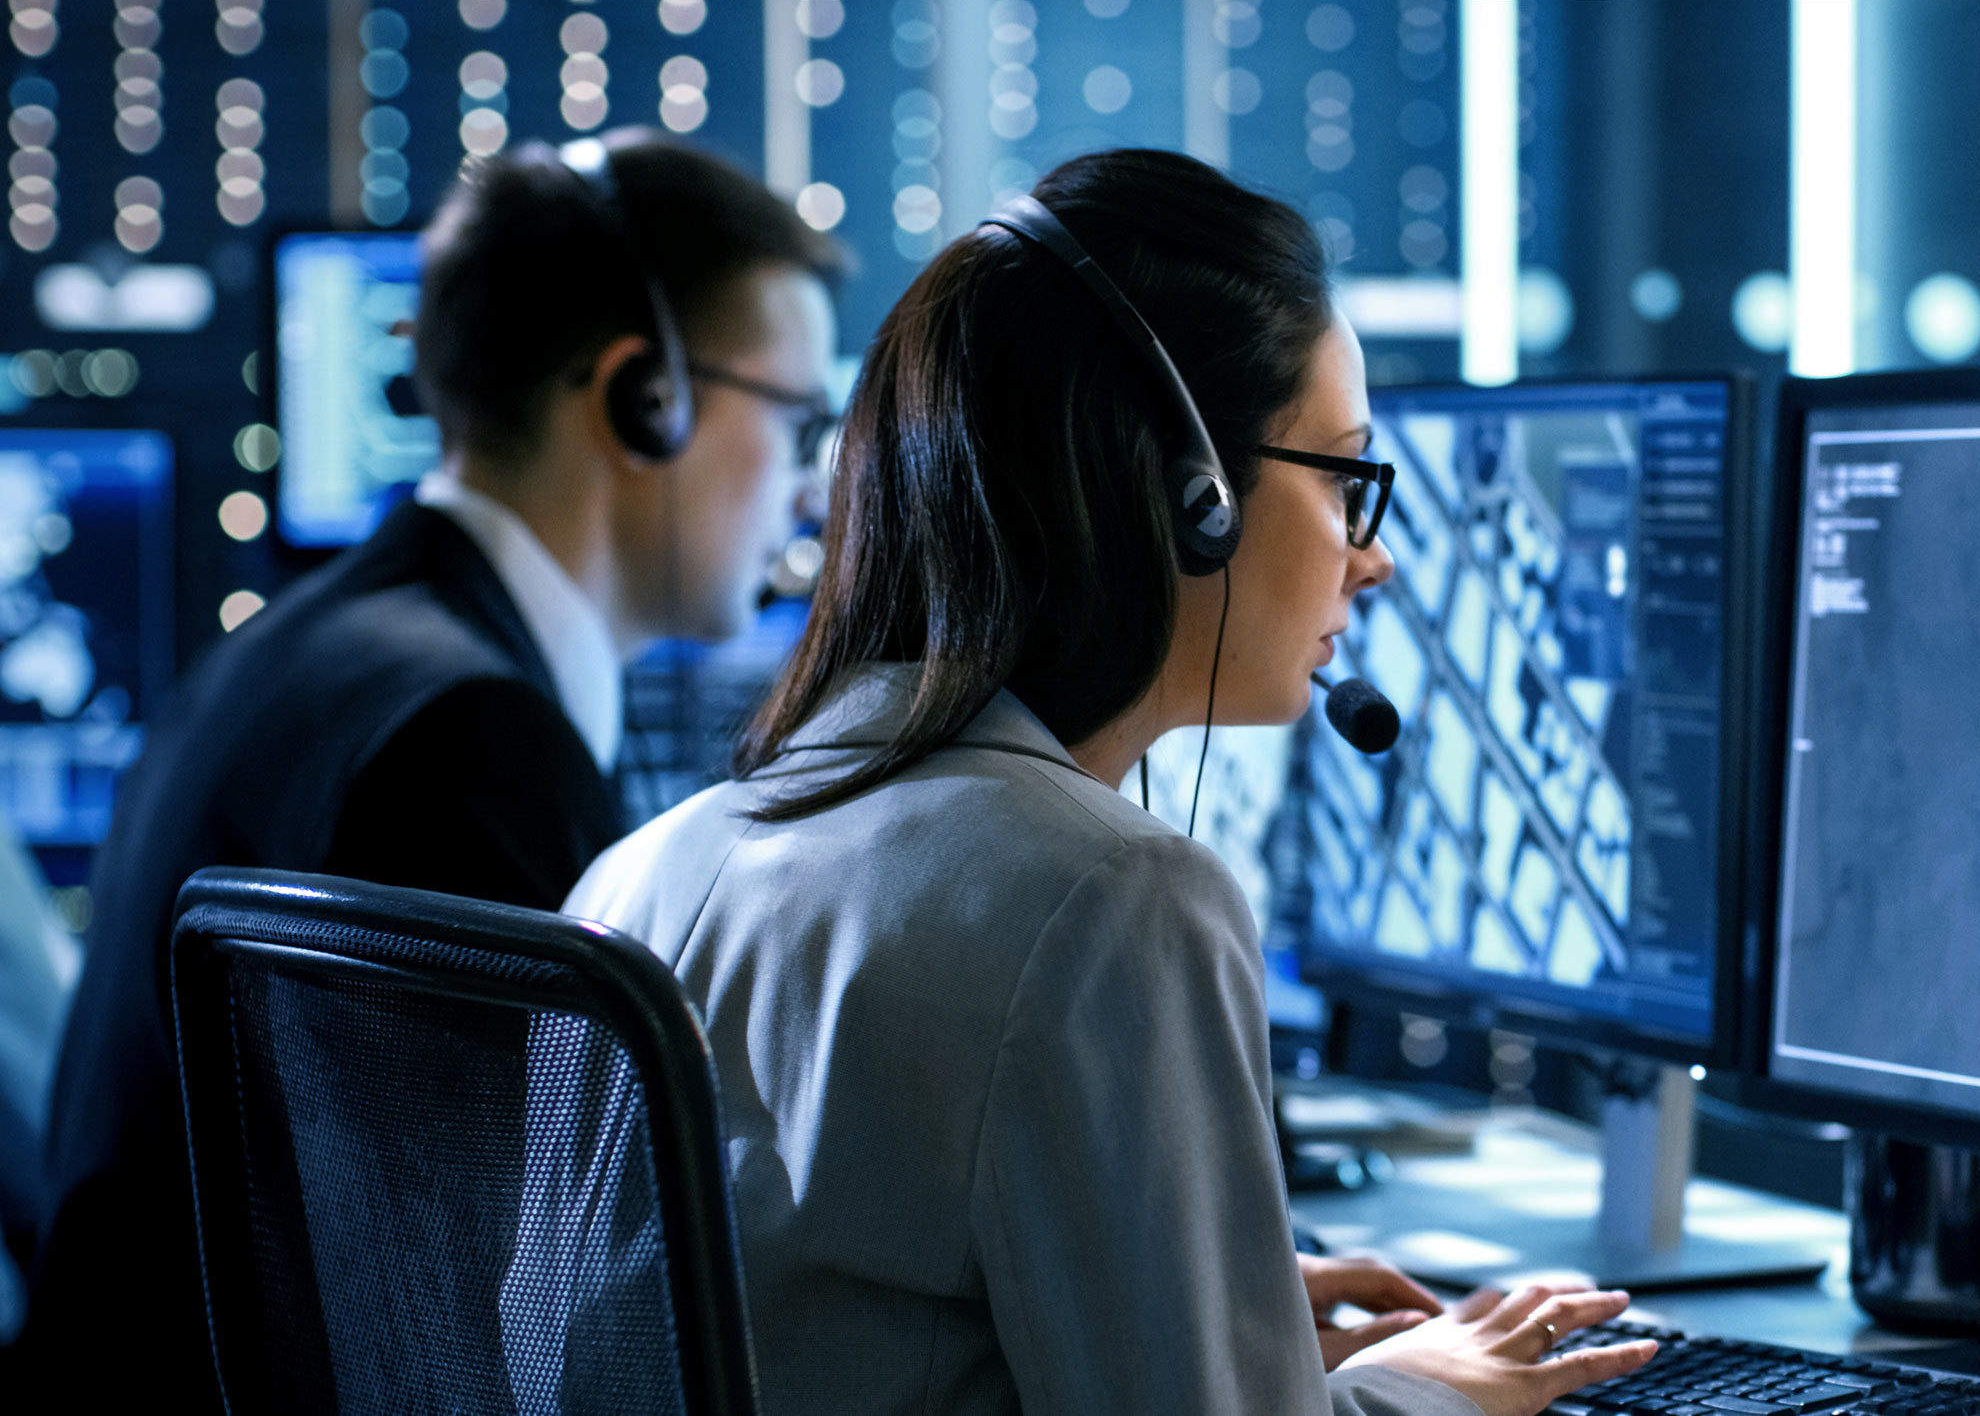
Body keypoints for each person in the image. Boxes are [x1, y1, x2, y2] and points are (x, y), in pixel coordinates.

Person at [565, 149, 1659, 1415]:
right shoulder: (1113, 899)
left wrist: (1210, 1305)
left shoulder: (641, 870)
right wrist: (1417, 1384)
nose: (1376, 564)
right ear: (1191, 499)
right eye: (1346, 480)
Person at [19, 130, 840, 1403]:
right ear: (645, 398)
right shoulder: (472, 739)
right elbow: (520, 1328)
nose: (806, 492)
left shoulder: (310, 646)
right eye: (797, 421)